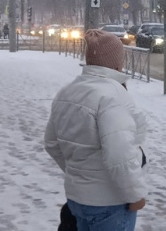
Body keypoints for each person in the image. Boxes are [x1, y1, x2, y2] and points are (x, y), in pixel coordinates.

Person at [44, 29, 147, 230]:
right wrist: (135, 195)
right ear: (117, 63)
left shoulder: (68, 91)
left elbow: (51, 143)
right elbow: (120, 154)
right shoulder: (113, 96)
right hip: (110, 203)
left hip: (77, 200)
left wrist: (80, 175)